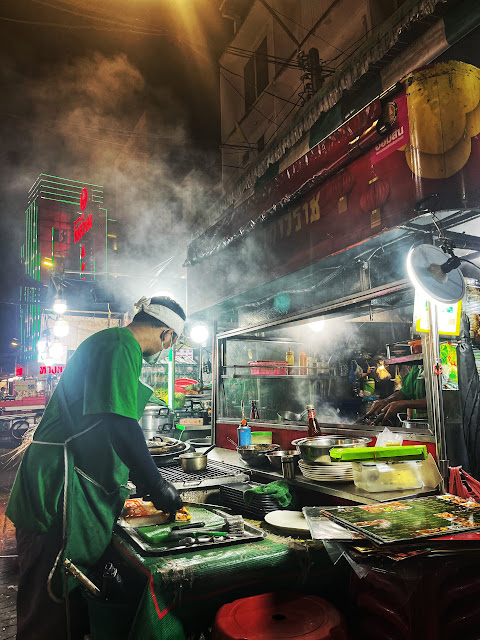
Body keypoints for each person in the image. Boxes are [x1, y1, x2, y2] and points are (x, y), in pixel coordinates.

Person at [6, 296, 186, 640]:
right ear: (168, 335)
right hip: (57, 490)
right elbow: (120, 424)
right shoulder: (120, 345)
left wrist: (137, 476)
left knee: (60, 606)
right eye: (173, 341)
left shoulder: (114, 345)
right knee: (49, 604)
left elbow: (105, 424)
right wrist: (156, 482)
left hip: (65, 481)